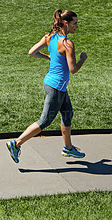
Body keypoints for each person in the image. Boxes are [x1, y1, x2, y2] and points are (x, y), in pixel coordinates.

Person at [6, 9, 88, 163]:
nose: (77, 26)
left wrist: (47, 57)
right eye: (75, 23)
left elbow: (32, 52)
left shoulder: (49, 37)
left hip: (52, 84)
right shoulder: (67, 43)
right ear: (66, 23)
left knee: (67, 114)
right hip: (56, 88)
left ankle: (68, 148)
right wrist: (82, 59)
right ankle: (16, 144)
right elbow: (73, 69)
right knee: (44, 121)